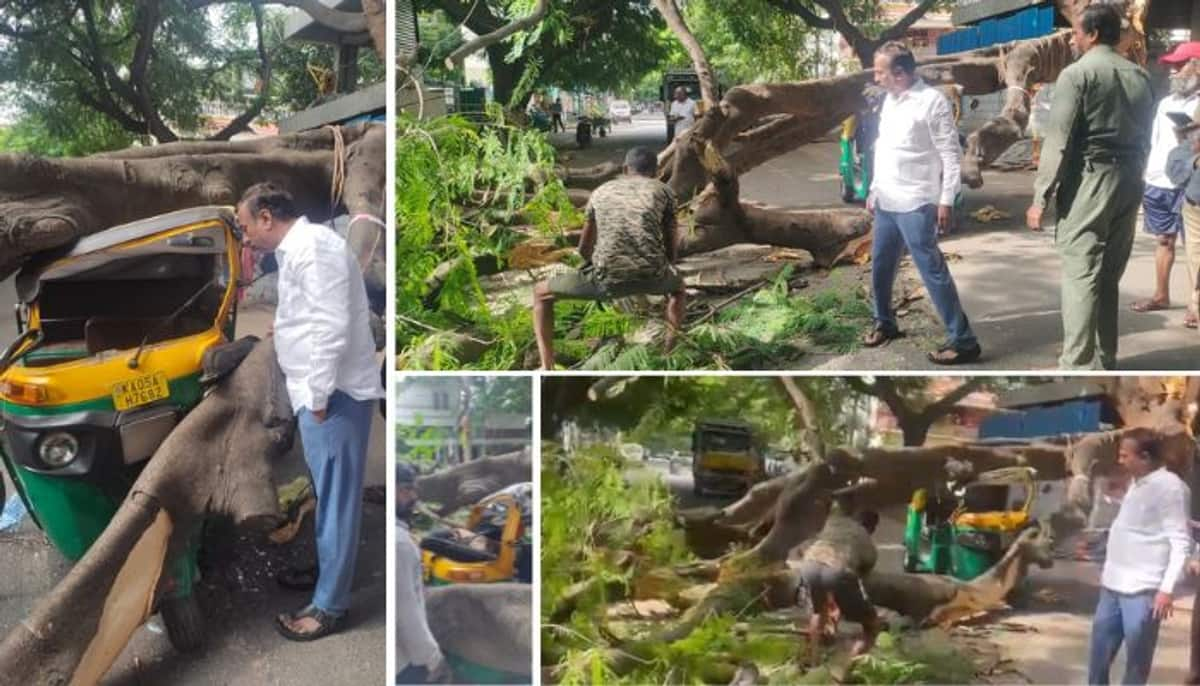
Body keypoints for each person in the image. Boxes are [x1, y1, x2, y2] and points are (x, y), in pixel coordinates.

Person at [235, 183, 385, 641]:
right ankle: (327, 569)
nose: (245, 239)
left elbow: (331, 329)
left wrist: (318, 398)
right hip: (319, 393)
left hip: (333, 396)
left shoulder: (313, 249)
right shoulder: (301, 249)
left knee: (337, 500)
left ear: (266, 217)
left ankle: (329, 605)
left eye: (245, 227)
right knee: (326, 491)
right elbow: (312, 311)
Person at [1025, 4, 1155, 370]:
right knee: (1108, 274)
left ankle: (1077, 364)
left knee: (1081, 272)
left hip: (1091, 179)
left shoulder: (1077, 74)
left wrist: (1040, 198)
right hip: (1130, 180)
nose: (1071, 37)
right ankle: (1106, 356)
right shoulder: (1140, 76)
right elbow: (1146, 135)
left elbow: (1058, 140)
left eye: (1076, 32)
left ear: (1094, 34)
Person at [864, 41, 981, 365]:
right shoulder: (889, 100)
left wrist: (946, 200)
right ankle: (885, 322)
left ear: (899, 73)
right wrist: (873, 189)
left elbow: (950, 155)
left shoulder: (932, 102)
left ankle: (964, 341)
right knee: (881, 266)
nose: (876, 77)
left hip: (917, 202)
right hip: (887, 199)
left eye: (880, 72)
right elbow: (883, 147)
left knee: (932, 272)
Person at [532, 146, 685, 369]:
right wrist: (667, 268)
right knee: (679, 289)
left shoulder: (601, 191)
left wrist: (589, 266)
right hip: (653, 276)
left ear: (625, 168)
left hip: (605, 279)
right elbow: (672, 244)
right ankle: (668, 350)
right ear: (657, 171)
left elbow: (585, 248)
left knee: (540, 293)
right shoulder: (664, 191)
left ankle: (548, 366)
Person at [1086, 428, 1191, 685]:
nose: (1120, 460)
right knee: (1099, 653)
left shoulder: (1171, 489)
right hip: (1113, 586)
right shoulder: (1137, 482)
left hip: (1142, 591)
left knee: (1136, 662)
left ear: (1144, 457)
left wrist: (1166, 590)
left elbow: (1181, 543)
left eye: (1125, 455)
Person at [1130, 43, 1200, 327]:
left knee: (1194, 247)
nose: (1173, 70)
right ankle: (1161, 295)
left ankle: (1195, 306)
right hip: (1158, 180)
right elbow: (1155, 141)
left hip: (1188, 183)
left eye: (1180, 64)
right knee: (1163, 240)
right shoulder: (1165, 104)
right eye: (1171, 65)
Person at [797, 498, 881, 666]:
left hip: (809, 565)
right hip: (837, 570)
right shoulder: (865, 537)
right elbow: (866, 567)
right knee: (872, 626)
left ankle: (813, 663)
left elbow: (804, 548)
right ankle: (844, 673)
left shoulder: (835, 523)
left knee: (818, 613)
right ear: (871, 527)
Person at [395, 463, 449, 684]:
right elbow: (406, 610)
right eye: (406, 489)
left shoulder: (401, 537)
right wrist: (433, 658)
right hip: (404, 664)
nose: (413, 496)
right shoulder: (399, 544)